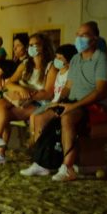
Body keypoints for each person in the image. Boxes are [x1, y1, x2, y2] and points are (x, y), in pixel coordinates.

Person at [0, 33, 57, 164]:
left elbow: (48, 93)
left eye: (35, 45)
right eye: (30, 45)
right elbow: (10, 83)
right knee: (1, 105)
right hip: (24, 101)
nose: (31, 47)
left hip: (40, 104)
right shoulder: (26, 64)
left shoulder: (51, 67)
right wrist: (21, 90)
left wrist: (29, 95)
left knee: (3, 112)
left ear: (43, 47)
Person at [49, 22, 107, 181]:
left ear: (94, 38)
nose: (79, 38)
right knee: (44, 116)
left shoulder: (102, 59)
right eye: (77, 35)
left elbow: (101, 91)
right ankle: (45, 161)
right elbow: (68, 86)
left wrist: (72, 106)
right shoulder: (76, 59)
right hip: (74, 103)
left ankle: (68, 167)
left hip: (96, 107)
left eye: (83, 35)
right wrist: (59, 101)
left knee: (67, 117)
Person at [20, 44, 78, 176]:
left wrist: (56, 103)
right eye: (56, 56)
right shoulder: (59, 73)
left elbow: (66, 92)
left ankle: (42, 158)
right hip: (54, 103)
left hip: (61, 104)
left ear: (68, 60)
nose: (56, 60)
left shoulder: (71, 73)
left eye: (60, 58)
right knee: (35, 117)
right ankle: (39, 156)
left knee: (39, 119)